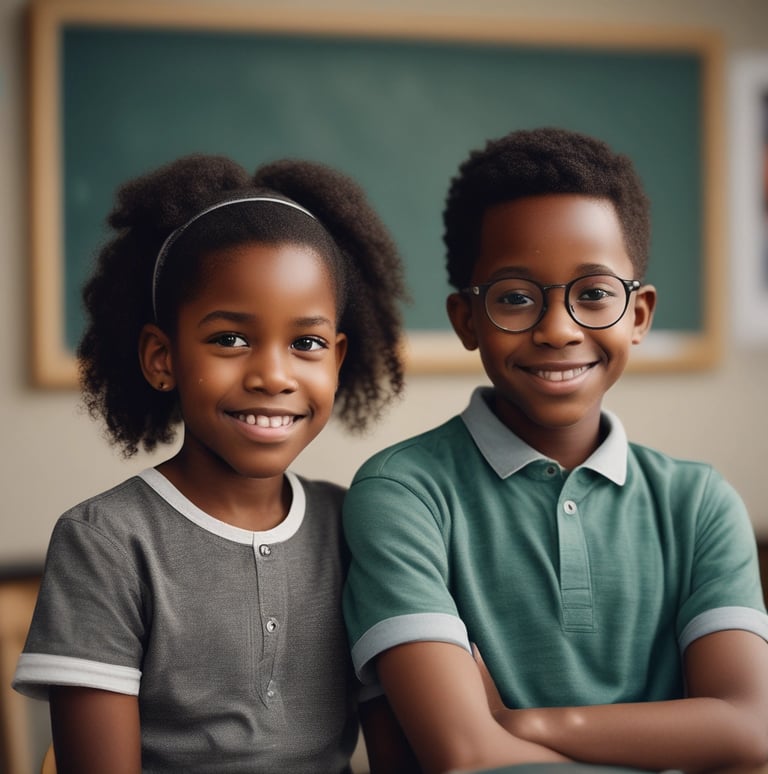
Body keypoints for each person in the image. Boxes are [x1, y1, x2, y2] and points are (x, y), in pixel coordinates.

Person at [342, 127, 768, 774]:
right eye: (515, 298)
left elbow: (751, 728)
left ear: (640, 314)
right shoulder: (404, 494)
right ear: (466, 320)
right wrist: (676, 738)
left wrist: (529, 723)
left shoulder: (698, 502)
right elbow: (464, 755)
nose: (559, 329)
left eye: (594, 294)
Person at [13, 153, 408, 773]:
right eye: (230, 339)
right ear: (161, 357)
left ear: (336, 359)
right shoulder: (106, 541)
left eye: (305, 344)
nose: (273, 375)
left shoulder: (355, 524)